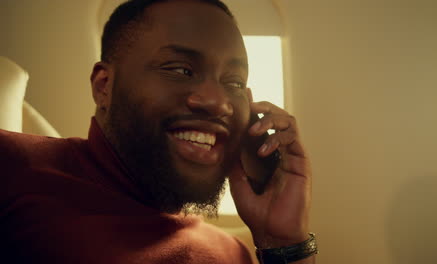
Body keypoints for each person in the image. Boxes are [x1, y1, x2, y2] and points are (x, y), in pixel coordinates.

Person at [0, 0, 316, 263]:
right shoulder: (13, 167)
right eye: (180, 69)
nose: (219, 103)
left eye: (233, 82)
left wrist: (283, 242)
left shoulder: (231, 254)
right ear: (104, 86)